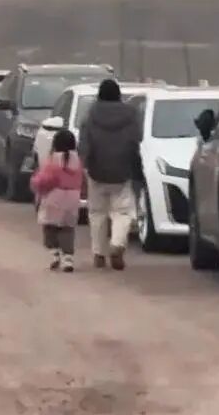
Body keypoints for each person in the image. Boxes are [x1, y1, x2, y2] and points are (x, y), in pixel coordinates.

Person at [78, 79, 142, 270]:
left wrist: (85, 163)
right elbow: (137, 139)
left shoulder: (90, 114)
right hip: (123, 170)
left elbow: (84, 142)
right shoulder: (131, 114)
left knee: (97, 213)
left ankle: (98, 253)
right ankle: (117, 244)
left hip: (96, 170)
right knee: (122, 212)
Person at [31, 129, 84, 273]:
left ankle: (54, 253)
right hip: (72, 198)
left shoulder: (53, 160)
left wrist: (35, 183)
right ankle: (68, 258)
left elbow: (45, 180)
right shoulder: (78, 162)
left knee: (49, 227)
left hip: (54, 197)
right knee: (67, 228)